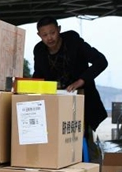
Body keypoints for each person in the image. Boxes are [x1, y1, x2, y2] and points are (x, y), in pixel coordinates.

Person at [32, 16, 108, 161]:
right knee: (56, 139)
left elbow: (101, 61)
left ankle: (89, 171)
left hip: (82, 101)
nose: (50, 38)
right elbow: (38, 75)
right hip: (55, 104)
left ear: (59, 30)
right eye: (45, 35)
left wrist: (81, 81)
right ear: (39, 36)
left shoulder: (74, 42)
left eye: (52, 32)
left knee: (83, 140)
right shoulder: (39, 50)